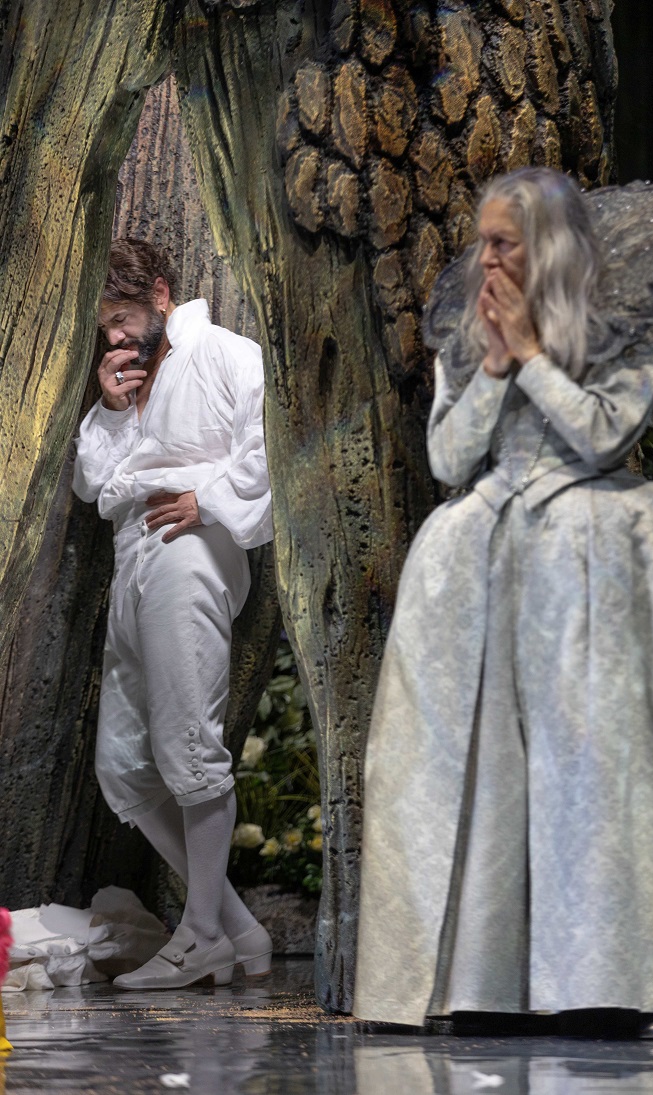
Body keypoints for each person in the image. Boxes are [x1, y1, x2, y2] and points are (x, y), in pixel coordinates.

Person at [353, 168, 653, 1031]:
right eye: (482, 241)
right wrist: (492, 365)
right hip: (486, 551)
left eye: (503, 243)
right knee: (482, 768)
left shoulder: (620, 324)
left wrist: (530, 356)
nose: (484, 259)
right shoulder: (467, 334)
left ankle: (602, 981)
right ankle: (485, 984)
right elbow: (450, 460)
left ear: (548, 248)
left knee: (589, 770)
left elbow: (604, 436)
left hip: (585, 546)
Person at [73, 239, 274, 989]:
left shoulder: (224, 352)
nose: (115, 335)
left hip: (190, 550)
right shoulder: (127, 380)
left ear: (160, 294)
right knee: (124, 767)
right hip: (132, 556)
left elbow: (267, 445)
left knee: (191, 743)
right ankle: (237, 929)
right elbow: (93, 484)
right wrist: (111, 407)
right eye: (106, 323)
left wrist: (207, 500)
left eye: (124, 316)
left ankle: (200, 935)